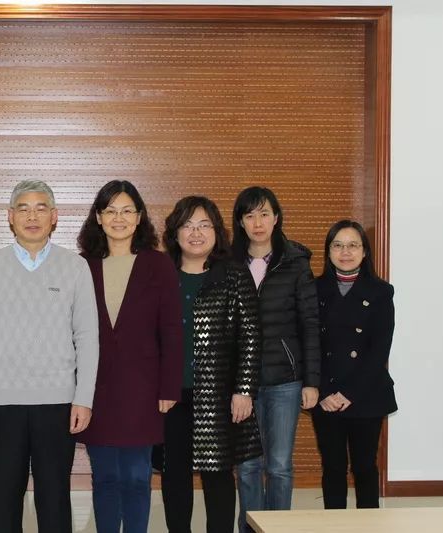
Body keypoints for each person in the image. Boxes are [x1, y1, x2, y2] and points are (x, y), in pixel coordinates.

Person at [0, 180, 99, 533]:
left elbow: (87, 337)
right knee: (4, 499)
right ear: (10, 217)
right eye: (23, 209)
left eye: (41, 208)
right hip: (1, 403)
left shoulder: (75, 267)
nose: (32, 216)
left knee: (54, 499)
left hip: (58, 402)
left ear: (54, 217)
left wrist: (83, 398)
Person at [76, 180, 182, 533]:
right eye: (110, 211)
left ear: (139, 217)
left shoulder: (158, 264)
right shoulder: (82, 266)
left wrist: (169, 387)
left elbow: (171, 330)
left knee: (137, 477)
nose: (118, 218)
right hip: (96, 390)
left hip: (144, 390)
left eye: (126, 211)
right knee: (105, 477)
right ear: (98, 217)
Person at [159, 195, 261, 533]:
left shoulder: (234, 275)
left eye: (204, 225)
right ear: (174, 232)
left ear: (217, 232)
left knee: (218, 474)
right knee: (175, 475)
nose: (196, 233)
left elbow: (251, 336)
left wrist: (243, 390)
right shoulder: (161, 275)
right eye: (188, 225)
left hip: (218, 394)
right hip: (170, 395)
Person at [231, 186, 320, 532]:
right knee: (248, 466)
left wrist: (312, 382)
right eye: (250, 215)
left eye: (264, 214)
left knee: (280, 465)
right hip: (242, 383)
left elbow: (310, 324)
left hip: (285, 380)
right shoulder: (228, 263)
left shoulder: (295, 262)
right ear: (240, 221)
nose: (258, 223)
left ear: (276, 218)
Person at [312, 220, 396, 509]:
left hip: (366, 394)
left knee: (364, 467)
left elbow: (379, 350)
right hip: (326, 396)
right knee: (333, 467)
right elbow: (308, 345)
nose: (345, 252)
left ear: (364, 251)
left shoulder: (381, 292)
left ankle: (368, 525)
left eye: (352, 245)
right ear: (328, 251)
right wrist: (324, 391)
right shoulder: (313, 289)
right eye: (338, 245)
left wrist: (349, 393)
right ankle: (334, 526)